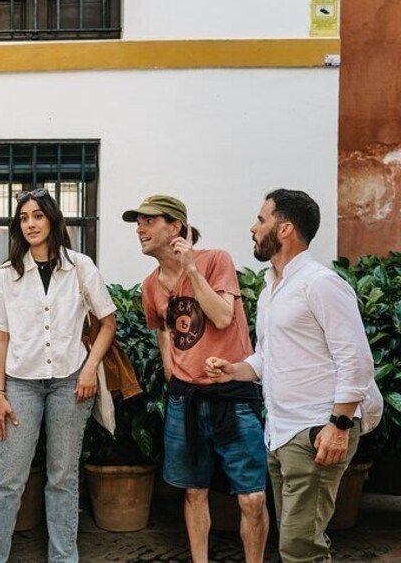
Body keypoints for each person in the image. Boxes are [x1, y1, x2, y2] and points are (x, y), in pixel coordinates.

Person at [205, 189, 382, 563]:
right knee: (299, 544)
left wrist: (339, 425)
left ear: (284, 229)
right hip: (281, 432)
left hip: (317, 430)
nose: (253, 228)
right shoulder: (272, 288)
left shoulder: (320, 284)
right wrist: (234, 371)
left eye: (261, 219)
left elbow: (356, 359)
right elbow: (268, 357)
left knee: (300, 549)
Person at [0, 188, 117, 563]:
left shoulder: (81, 266)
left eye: (38, 215)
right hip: (21, 385)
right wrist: (0, 394)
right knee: (9, 478)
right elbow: (0, 337)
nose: (31, 224)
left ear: (52, 220)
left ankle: (63, 558)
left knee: (63, 477)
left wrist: (90, 368)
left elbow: (107, 323)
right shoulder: (6, 275)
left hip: (71, 382)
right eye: (23, 218)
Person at [123, 195, 268, 563]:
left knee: (252, 497)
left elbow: (222, 316)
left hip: (232, 394)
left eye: (149, 221)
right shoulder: (150, 285)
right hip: (184, 398)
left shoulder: (216, 260)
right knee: (194, 491)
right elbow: (163, 329)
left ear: (176, 226)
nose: (140, 229)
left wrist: (191, 270)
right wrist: (171, 369)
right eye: (138, 222)